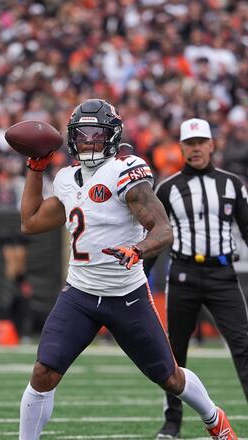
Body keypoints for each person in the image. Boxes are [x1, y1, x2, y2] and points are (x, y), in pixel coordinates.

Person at [18, 99, 236, 440]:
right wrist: (35, 168)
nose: (89, 141)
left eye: (97, 134)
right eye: (83, 134)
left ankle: (214, 419)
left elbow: (163, 229)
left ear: (112, 136)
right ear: (72, 138)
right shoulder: (64, 179)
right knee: (44, 372)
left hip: (126, 295)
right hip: (80, 294)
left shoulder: (125, 171)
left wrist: (138, 249)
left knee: (170, 378)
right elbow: (30, 222)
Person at [147, 118, 248, 439]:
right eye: (189, 144)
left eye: (201, 142)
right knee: (174, 351)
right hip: (183, 274)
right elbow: (155, 237)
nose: (196, 149)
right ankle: (172, 421)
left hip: (222, 274)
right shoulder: (168, 187)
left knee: (244, 345)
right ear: (181, 148)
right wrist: (140, 276)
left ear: (211, 144)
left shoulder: (233, 184)